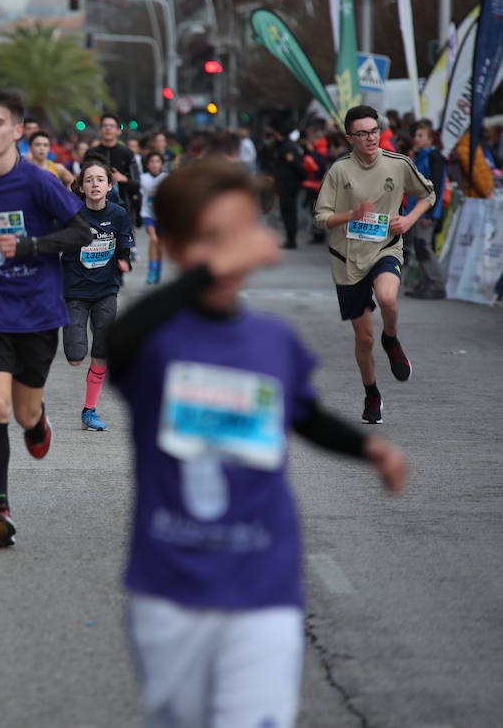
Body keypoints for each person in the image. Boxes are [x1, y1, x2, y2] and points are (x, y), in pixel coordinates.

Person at [106, 158, 407, 728]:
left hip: (264, 581)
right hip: (169, 588)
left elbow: (304, 415)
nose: (226, 255)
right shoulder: (155, 342)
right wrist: (205, 270)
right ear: (171, 245)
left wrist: (369, 450)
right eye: (208, 239)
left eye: (235, 236)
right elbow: (117, 343)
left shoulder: (271, 340)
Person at [0, 89, 92, 548]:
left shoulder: (38, 182)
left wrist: (29, 246)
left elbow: (82, 232)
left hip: (38, 312)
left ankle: (39, 422)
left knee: (26, 414)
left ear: (17, 130)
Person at [314, 105, 435, 425]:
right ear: (349, 138)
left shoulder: (398, 164)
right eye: (363, 133)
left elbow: (428, 195)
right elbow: (320, 217)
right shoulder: (339, 171)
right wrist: (350, 216)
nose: (371, 137)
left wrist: (408, 220)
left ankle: (391, 339)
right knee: (363, 338)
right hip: (347, 259)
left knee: (387, 298)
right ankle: (372, 393)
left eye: (374, 130)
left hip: (385, 248)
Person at [61, 160, 133, 431]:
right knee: (76, 356)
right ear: (80, 186)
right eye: (89, 180)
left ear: (109, 185)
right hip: (74, 291)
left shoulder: (118, 213)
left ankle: (89, 410)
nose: (94, 184)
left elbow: (125, 240)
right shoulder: (70, 214)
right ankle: (71, 339)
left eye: (100, 179)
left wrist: (124, 259)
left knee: (102, 350)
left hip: (106, 290)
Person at [403, 120, 447, 300]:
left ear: (431, 139)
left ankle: (437, 283)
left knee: (424, 245)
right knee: (419, 247)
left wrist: (430, 212)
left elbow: (436, 186)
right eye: (416, 135)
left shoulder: (434, 157)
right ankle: (427, 282)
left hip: (426, 209)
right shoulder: (420, 155)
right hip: (416, 208)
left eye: (421, 136)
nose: (417, 138)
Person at [86, 113, 140, 212]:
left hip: (123, 208)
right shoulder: (91, 153)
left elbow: (137, 184)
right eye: (105, 126)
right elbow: (83, 180)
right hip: (94, 209)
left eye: (111, 126)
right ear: (99, 130)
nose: (108, 129)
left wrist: (124, 179)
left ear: (118, 131)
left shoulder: (127, 153)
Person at [139, 150, 168, 283]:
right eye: (152, 162)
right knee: (153, 239)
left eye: (157, 161)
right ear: (147, 165)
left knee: (161, 245)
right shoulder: (143, 178)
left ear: (162, 164)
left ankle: (158, 269)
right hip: (147, 214)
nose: (155, 164)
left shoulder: (166, 178)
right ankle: (151, 271)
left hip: (162, 215)